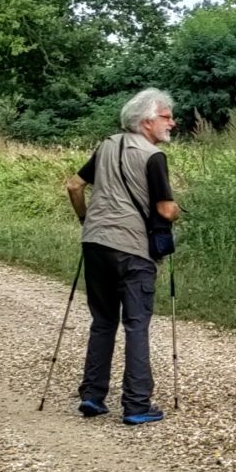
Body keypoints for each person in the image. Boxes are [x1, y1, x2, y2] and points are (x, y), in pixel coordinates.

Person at [62, 88, 179, 424]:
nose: (172, 122)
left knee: (102, 321)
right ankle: (137, 404)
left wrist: (87, 220)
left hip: (95, 243)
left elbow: (73, 185)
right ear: (146, 121)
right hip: (132, 248)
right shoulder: (153, 157)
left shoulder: (107, 145)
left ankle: (93, 396)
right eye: (166, 116)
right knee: (136, 325)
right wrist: (176, 213)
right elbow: (166, 209)